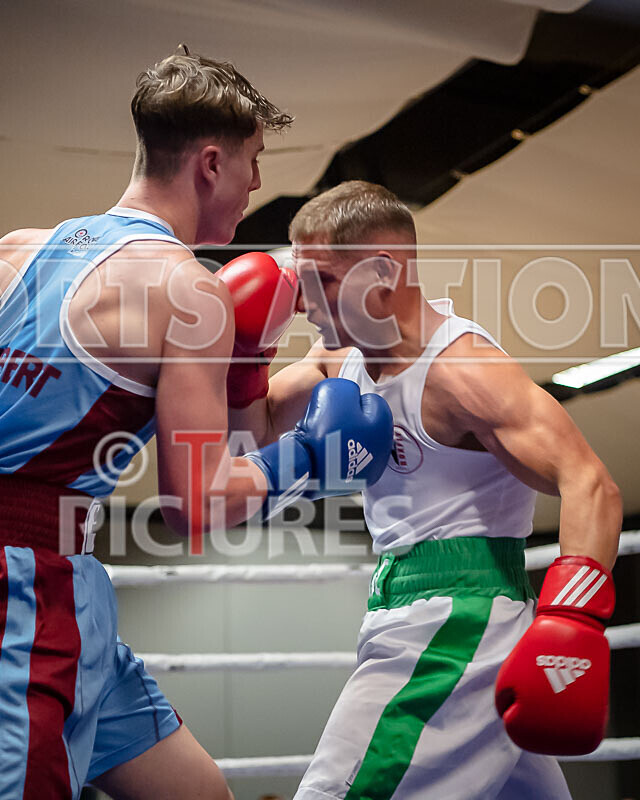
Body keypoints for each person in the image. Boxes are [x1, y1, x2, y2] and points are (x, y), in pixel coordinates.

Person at [0, 50, 393, 800]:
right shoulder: (187, 293)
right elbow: (195, 504)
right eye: (254, 161)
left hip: (46, 586)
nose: (259, 184)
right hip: (9, 598)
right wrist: (312, 455)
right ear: (210, 164)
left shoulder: (19, 249)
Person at [229, 180, 623, 799]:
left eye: (321, 281)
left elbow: (590, 483)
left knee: (338, 792)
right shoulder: (344, 360)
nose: (303, 303)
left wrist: (569, 622)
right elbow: (248, 438)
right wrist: (242, 355)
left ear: (383, 271)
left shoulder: (464, 369)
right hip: (411, 608)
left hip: (458, 619)